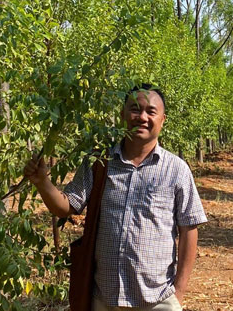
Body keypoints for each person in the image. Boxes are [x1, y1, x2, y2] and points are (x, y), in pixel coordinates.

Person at [23, 84, 207, 311]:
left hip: (158, 299)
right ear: (123, 115)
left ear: (162, 120)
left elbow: (189, 229)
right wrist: (42, 182)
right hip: (105, 297)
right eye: (134, 109)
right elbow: (67, 207)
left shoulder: (176, 170)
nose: (142, 117)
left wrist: (179, 292)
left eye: (151, 111)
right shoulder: (99, 162)